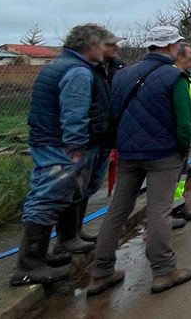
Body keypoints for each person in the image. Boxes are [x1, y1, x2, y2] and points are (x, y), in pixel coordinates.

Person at [87, 26, 191, 296]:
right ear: (171, 46)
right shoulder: (175, 77)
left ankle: (101, 271)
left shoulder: (122, 75)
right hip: (163, 154)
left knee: (117, 211)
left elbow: (114, 112)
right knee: (159, 210)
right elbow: (185, 122)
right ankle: (164, 270)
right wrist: (183, 150)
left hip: (128, 153)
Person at [11, 24, 112, 286]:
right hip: (61, 146)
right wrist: (77, 147)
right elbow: (74, 113)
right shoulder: (76, 71)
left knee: (68, 193)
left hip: (56, 142)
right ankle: (29, 264)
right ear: (90, 46)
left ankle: (67, 240)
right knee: (48, 197)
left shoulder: (66, 65)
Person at [74, 33, 126, 246]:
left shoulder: (114, 68)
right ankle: (69, 237)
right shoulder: (83, 70)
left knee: (90, 186)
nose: (115, 48)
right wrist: (77, 143)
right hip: (88, 139)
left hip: (105, 137)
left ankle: (77, 232)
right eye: (111, 45)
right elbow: (76, 110)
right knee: (76, 188)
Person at [170, 45, 191, 225]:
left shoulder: (187, 77)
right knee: (174, 175)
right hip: (178, 136)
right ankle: (172, 210)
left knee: (181, 175)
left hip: (188, 133)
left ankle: (179, 205)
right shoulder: (174, 76)